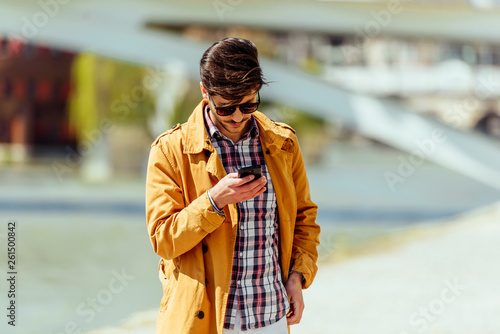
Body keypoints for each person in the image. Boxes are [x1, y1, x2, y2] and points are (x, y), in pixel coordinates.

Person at [145, 37, 320, 334]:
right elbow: (163, 238)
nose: (238, 116)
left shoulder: (283, 144)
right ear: (205, 92)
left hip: (271, 317)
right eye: (225, 108)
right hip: (205, 320)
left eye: (249, 104)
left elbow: (304, 219)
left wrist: (297, 277)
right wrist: (213, 201)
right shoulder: (170, 150)